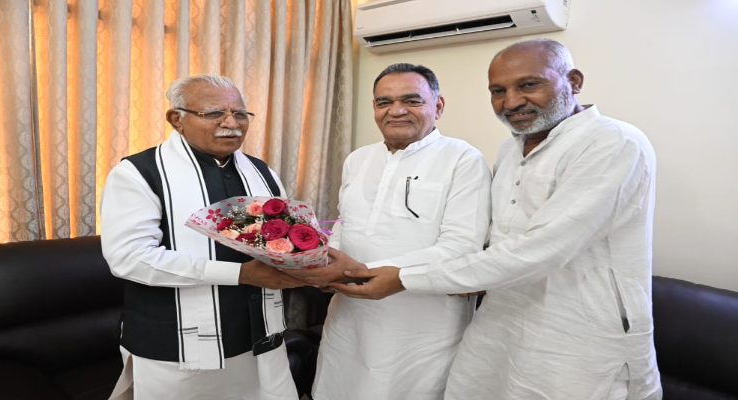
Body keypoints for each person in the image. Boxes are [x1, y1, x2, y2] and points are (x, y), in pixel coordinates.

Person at [332, 39, 663, 400]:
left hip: (579, 335)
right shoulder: (511, 150)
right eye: (498, 90)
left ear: (575, 81)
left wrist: (402, 277)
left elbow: (543, 249)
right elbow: (495, 240)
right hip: (500, 321)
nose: (512, 101)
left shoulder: (612, 142)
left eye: (529, 84)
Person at [283, 63, 492, 400]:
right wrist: (323, 262)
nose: (396, 111)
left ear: (438, 106)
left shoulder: (463, 159)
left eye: (412, 101)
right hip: (349, 315)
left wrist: (371, 273)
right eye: (384, 102)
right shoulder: (358, 158)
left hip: (421, 324)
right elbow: (345, 226)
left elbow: (461, 247)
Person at [100, 74, 303, 400]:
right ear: (176, 119)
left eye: (240, 114)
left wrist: (309, 263)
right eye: (214, 113)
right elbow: (129, 258)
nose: (231, 123)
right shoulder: (139, 173)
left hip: (260, 334)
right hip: (176, 344)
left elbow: (280, 240)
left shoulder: (261, 172)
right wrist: (241, 274)